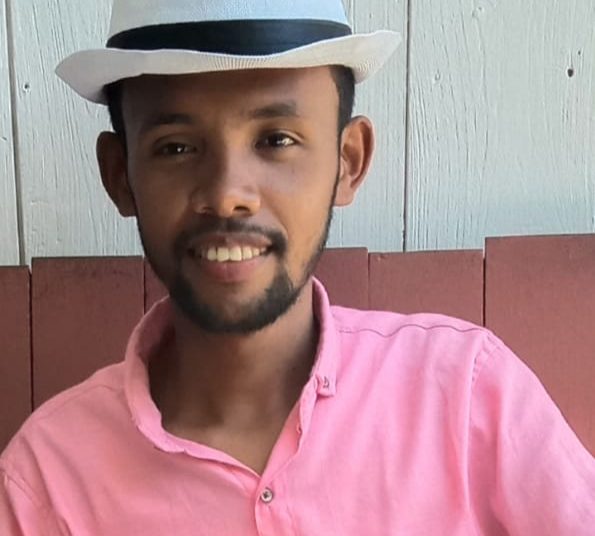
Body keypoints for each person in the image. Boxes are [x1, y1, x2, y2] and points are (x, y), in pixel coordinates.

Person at [1, 0, 594, 534]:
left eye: (277, 139)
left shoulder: (466, 395)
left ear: (348, 162)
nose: (228, 195)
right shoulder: (46, 482)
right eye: (176, 147)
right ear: (119, 175)